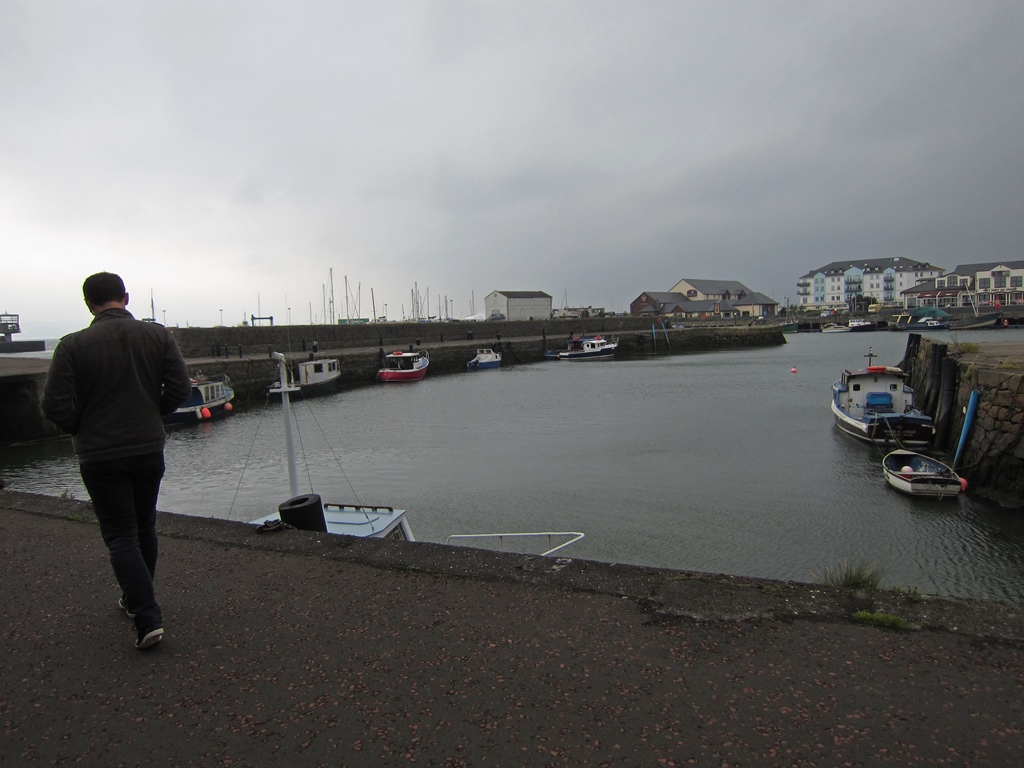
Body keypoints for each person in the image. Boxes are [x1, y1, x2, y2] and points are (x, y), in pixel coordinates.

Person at [42, 272, 193, 650]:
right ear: (125, 297)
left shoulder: (72, 346)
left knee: (121, 535)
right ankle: (136, 601)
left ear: (88, 304)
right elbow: (180, 388)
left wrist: (82, 425)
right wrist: (153, 413)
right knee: (144, 527)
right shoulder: (157, 336)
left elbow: (53, 404)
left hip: (99, 454)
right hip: (147, 447)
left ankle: (146, 615)